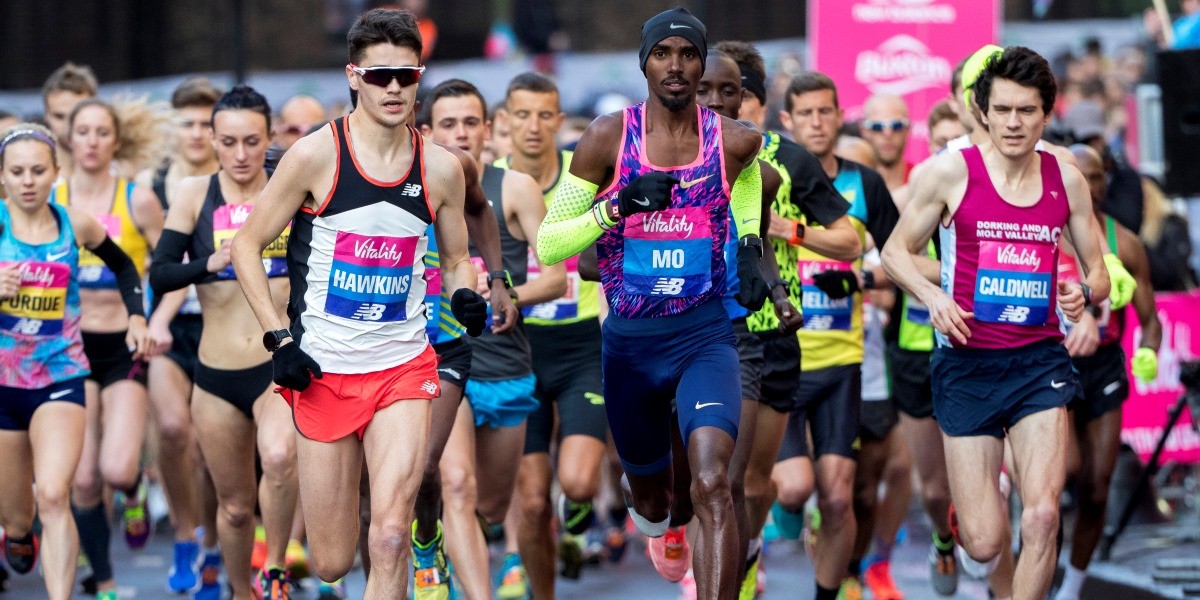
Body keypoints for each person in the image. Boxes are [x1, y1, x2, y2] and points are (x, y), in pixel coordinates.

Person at [228, 9, 487, 599]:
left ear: (419, 77)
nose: (393, 88)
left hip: (403, 367)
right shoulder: (315, 155)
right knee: (331, 560)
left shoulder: (441, 168)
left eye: (405, 75)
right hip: (323, 369)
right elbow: (245, 246)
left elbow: (455, 260)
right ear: (353, 77)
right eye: (378, 76)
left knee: (391, 536)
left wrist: (465, 293)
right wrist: (279, 340)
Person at [537, 7, 770, 598]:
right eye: (662, 53)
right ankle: (654, 516)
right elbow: (550, 242)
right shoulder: (608, 138)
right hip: (631, 347)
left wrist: (748, 243)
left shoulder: (733, 139)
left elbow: (747, 179)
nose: (676, 65)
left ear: (700, 64)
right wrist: (617, 206)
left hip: (704, 336)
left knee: (713, 483)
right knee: (656, 501)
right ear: (644, 64)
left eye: (688, 54)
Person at [881, 46, 1111, 600]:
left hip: (1038, 361)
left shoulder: (1066, 179)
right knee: (985, 543)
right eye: (1002, 110)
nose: (1013, 123)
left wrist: (1082, 293)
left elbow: (1101, 273)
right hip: (966, 363)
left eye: (1026, 111)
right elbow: (893, 253)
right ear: (982, 111)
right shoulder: (950, 172)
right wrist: (932, 295)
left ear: (1046, 114)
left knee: (1042, 516)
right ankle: (967, 523)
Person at [709, 41, 862, 600]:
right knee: (722, 480)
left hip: (777, 333)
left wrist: (787, 230)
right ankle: (716, 572)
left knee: (757, 486)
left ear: (756, 101)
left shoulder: (788, 161)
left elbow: (849, 242)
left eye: (735, 95)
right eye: (708, 94)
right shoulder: (677, 155)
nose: (723, 108)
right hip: (716, 334)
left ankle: (746, 557)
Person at [149, 85, 299, 600]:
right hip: (215, 373)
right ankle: (240, 589)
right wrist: (210, 263)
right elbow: (161, 274)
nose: (240, 155)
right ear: (213, 141)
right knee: (233, 508)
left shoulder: (289, 188)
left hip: (275, 362)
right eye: (229, 142)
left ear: (269, 137)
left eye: (252, 142)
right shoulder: (195, 194)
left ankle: (274, 566)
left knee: (278, 456)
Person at [420, 77, 565, 600]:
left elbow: (557, 278)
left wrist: (507, 293)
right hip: (439, 361)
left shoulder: (515, 188)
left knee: (492, 505)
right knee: (457, 485)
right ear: (426, 132)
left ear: (487, 128)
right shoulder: (411, 192)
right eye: (448, 124)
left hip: (504, 363)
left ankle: (445, 548)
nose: (460, 133)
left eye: (470, 122)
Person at [0, 124, 146, 600]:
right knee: (16, 516)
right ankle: (18, 533)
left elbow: (124, 265)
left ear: (55, 173)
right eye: (17, 172)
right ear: (2, 177)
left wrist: (137, 317)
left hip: (60, 375)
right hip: (4, 384)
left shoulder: (74, 225)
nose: (27, 181)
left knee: (53, 493)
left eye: (37, 171)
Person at [772, 71, 900, 600]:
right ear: (787, 120)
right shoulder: (768, 178)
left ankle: (831, 590)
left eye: (826, 111)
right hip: (780, 360)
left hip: (843, 362)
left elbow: (902, 258)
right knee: (794, 488)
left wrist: (862, 279)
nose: (817, 122)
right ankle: (779, 514)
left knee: (840, 498)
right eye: (806, 113)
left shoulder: (863, 184)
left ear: (841, 115)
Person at [494, 72, 611, 595]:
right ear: (504, 121)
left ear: (560, 121)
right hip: (517, 351)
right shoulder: (489, 182)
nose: (534, 126)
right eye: (522, 115)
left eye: (545, 115)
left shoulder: (583, 176)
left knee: (579, 482)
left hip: (582, 345)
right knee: (532, 501)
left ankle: (581, 507)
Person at [55, 98, 166, 600]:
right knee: (82, 480)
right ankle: (104, 583)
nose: (92, 141)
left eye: (102, 132)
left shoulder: (137, 199)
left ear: (116, 140)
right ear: (69, 139)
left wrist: (151, 319)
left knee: (115, 469)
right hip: (68, 347)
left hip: (124, 343)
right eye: (83, 131)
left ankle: (134, 486)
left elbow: (166, 265)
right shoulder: (52, 198)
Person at [1054, 145, 1161, 600]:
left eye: (1094, 176)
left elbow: (1150, 319)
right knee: (1062, 473)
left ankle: (1072, 586)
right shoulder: (1042, 235)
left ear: (1104, 182)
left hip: (1103, 365)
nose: (1087, 185)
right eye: (1077, 176)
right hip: (1053, 364)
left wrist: (1149, 352)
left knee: (1097, 485)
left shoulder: (1125, 242)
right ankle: (1032, 553)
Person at [140, 76, 224, 595]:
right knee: (172, 431)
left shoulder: (232, 182)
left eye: (203, 123)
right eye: (186, 123)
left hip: (221, 323)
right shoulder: (150, 187)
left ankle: (212, 542)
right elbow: (151, 265)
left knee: (211, 450)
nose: (195, 133)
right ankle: (184, 535)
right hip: (167, 329)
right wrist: (147, 319)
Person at [40, 62, 98, 177]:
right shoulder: (32, 177)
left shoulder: (121, 173)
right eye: (59, 116)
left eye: (76, 116)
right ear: (46, 114)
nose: (68, 126)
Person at [860, 94, 912, 191]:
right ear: (864, 131)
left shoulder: (922, 179)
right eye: (877, 126)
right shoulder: (851, 183)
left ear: (908, 129)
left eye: (896, 125)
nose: (887, 134)